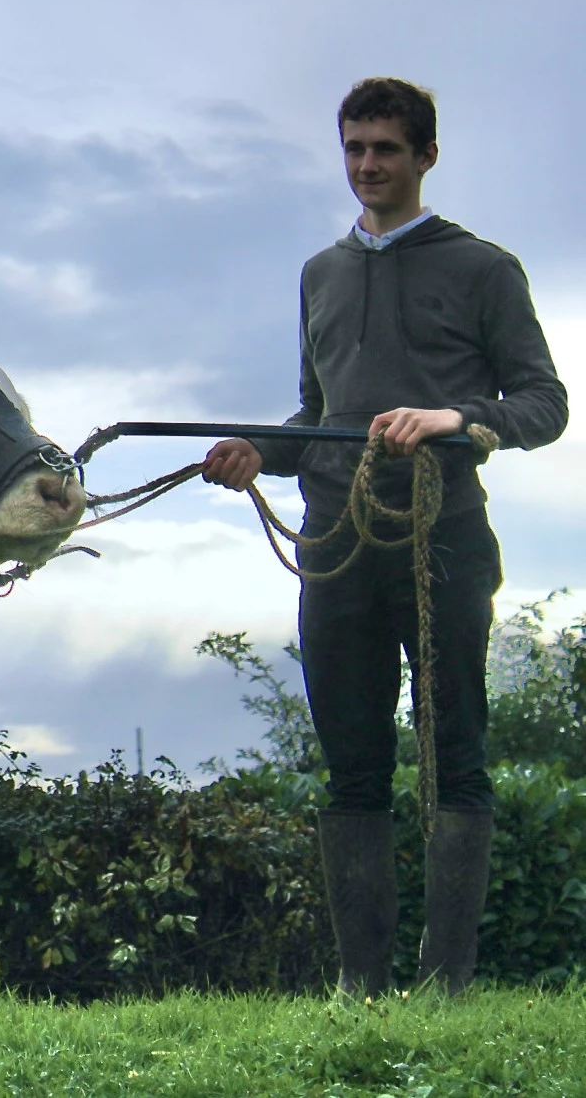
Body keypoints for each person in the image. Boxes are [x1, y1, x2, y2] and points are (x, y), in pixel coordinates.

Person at [202, 78, 567, 996]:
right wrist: (258, 451)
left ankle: (445, 987)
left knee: (455, 760)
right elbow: (318, 414)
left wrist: (452, 416)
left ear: (426, 157)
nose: (368, 165)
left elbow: (545, 405)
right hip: (336, 545)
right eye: (355, 148)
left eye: (387, 150)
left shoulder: (486, 269)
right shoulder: (319, 274)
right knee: (351, 767)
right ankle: (361, 988)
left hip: (443, 537)